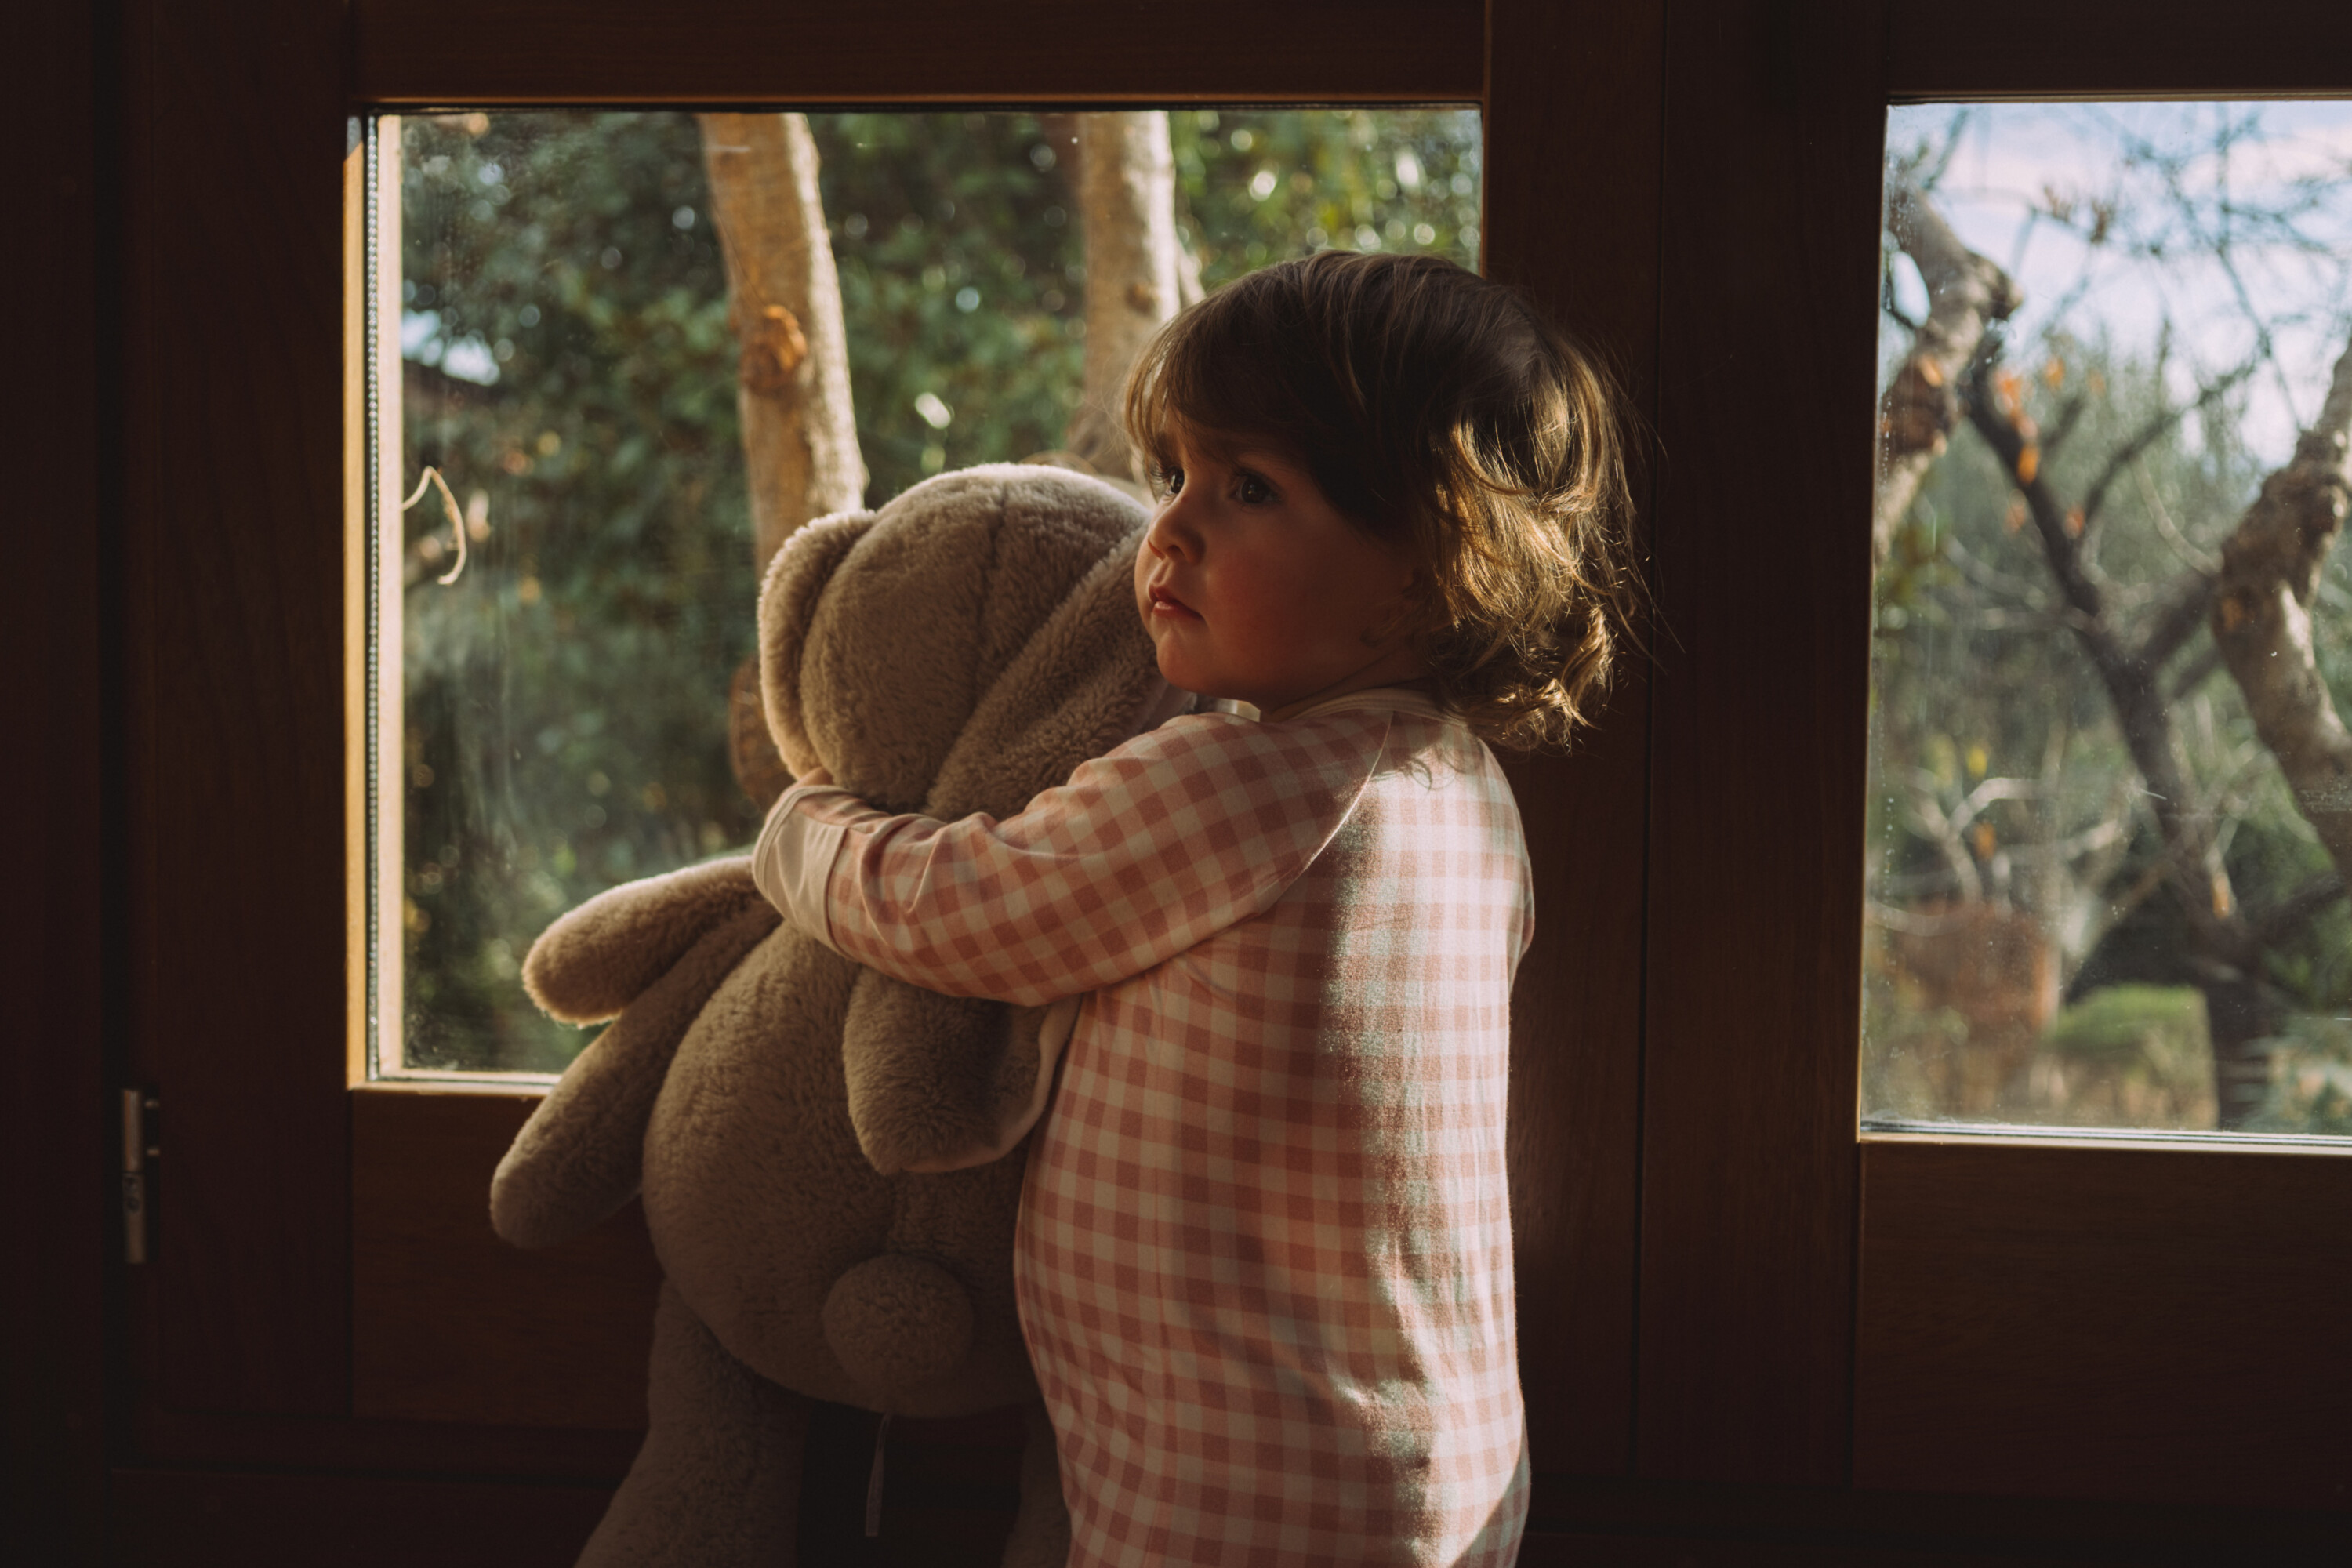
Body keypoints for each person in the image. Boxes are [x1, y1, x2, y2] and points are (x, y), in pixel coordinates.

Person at [754, 250, 1641, 1566]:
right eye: (1172, 474)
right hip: (1427, 1460)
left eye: (1248, 488)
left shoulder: (1246, 778)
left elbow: (963, 913)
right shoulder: (1468, 790)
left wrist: (802, 831)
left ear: (1431, 563)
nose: (1167, 530)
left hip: (1242, 1480)